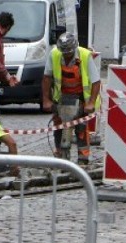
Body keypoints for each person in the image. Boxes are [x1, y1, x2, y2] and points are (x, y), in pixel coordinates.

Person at [41, 32, 101, 165]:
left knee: (81, 127)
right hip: (61, 97)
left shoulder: (85, 56)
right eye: (64, 52)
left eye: (69, 52)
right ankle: (60, 155)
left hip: (81, 98)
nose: (66, 54)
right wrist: (46, 100)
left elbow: (96, 81)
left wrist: (90, 103)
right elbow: (46, 78)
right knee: (58, 126)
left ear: (74, 48)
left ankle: (83, 158)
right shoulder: (55, 54)